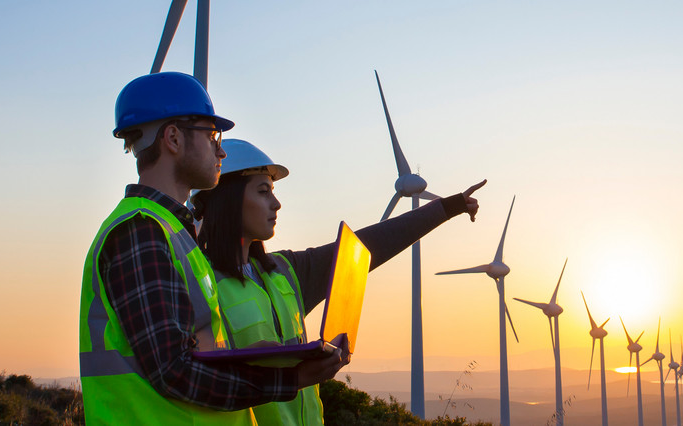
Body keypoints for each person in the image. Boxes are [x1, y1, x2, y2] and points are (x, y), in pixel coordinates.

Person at [78, 72, 346, 425]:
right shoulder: (140, 231)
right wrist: (290, 379)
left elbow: (190, 352)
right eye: (211, 136)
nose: (221, 150)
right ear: (173, 138)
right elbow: (174, 371)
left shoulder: (171, 231)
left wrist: (255, 356)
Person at [190, 139, 485, 426]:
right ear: (228, 200)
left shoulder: (286, 271)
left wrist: (447, 207)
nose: (276, 204)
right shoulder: (197, 284)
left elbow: (368, 246)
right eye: (263, 192)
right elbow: (201, 381)